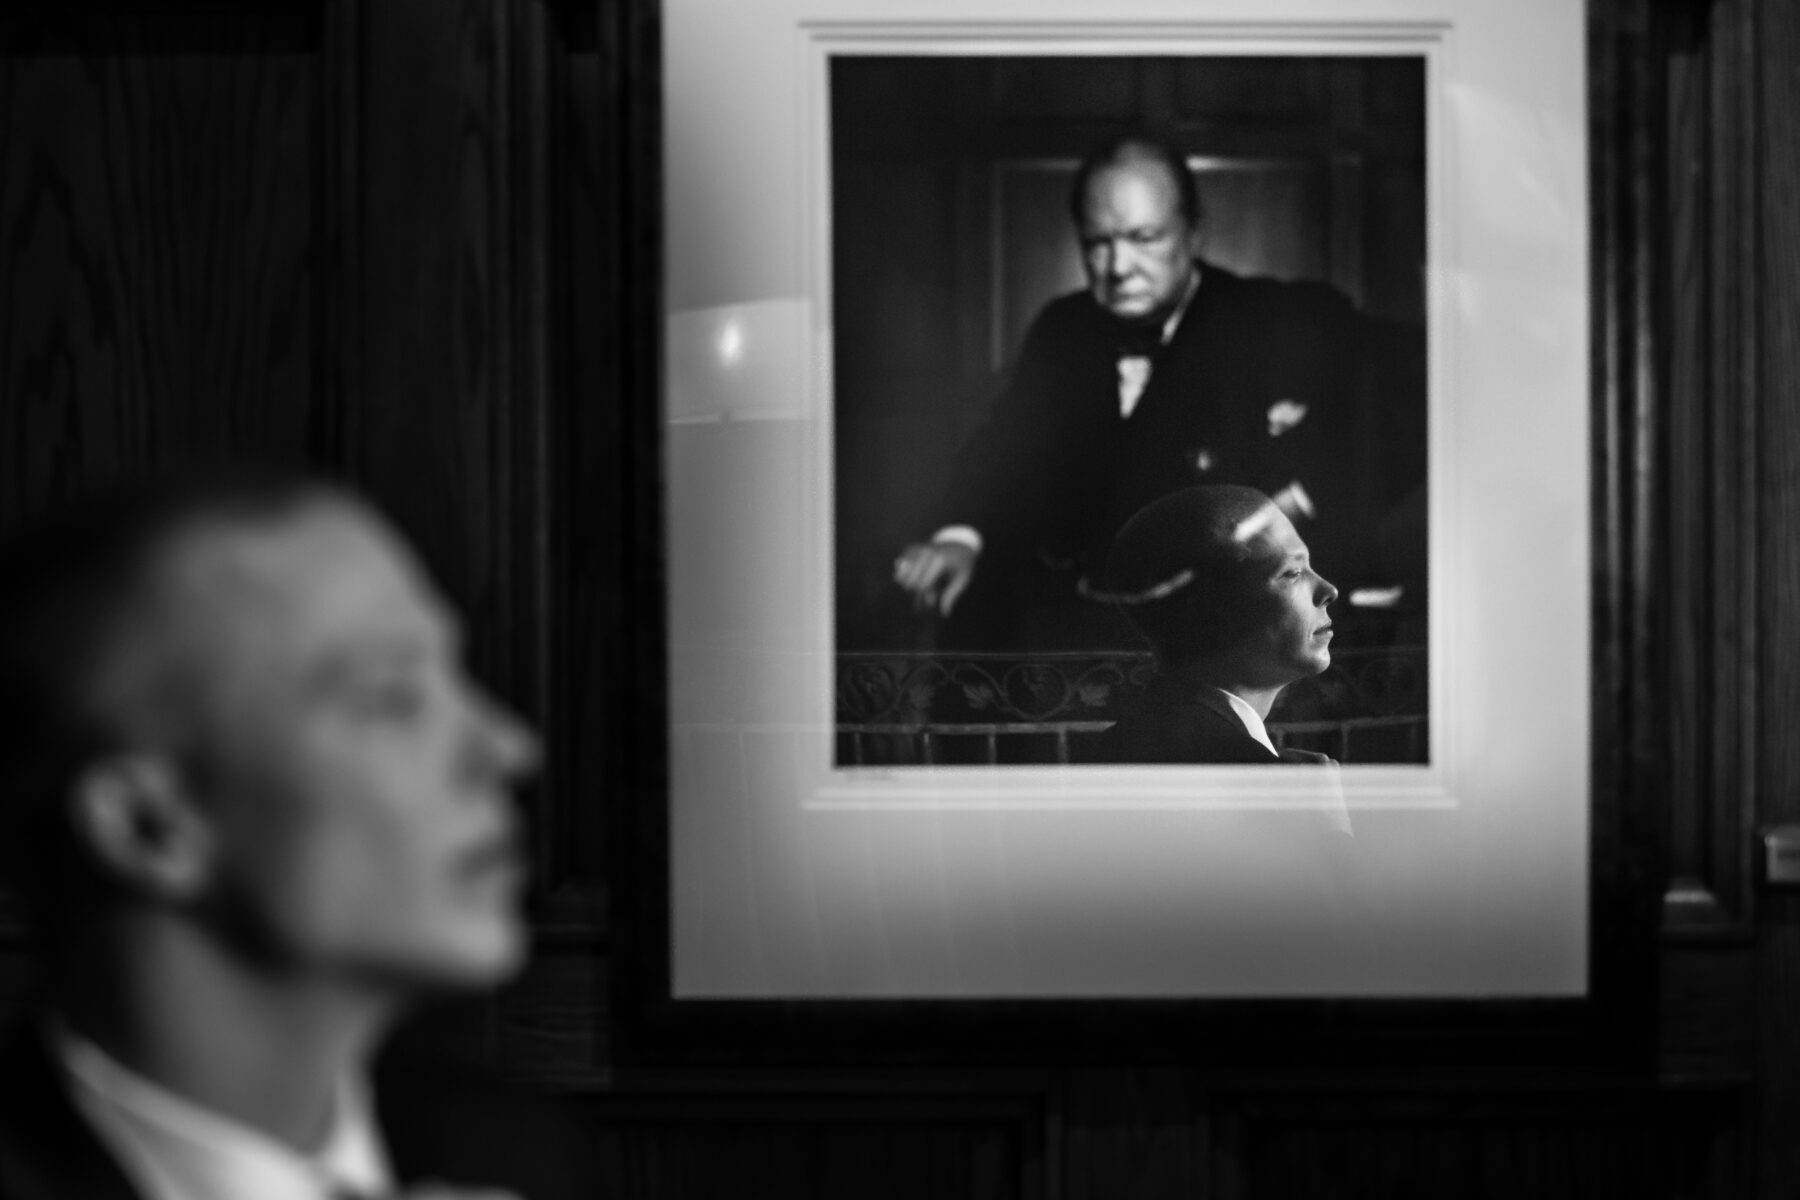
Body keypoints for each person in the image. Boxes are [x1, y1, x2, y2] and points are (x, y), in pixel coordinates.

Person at [0, 472, 584, 1200]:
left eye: (456, 681)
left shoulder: (508, 1148)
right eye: (391, 697)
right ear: (150, 826)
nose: (508, 747)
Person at [892, 132, 1400, 645]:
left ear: (1193, 234)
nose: (1118, 267)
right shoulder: (1062, 327)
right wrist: (961, 537)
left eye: (1144, 238)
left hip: (1227, 640)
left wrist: (1299, 499)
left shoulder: (1274, 318)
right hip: (1082, 631)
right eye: (1098, 243)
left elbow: (1412, 391)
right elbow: (1002, 450)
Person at [1093, 485, 1338, 764]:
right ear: (1204, 607)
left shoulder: (1126, 742)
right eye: (1292, 572)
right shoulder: (1244, 771)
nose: (1329, 591)